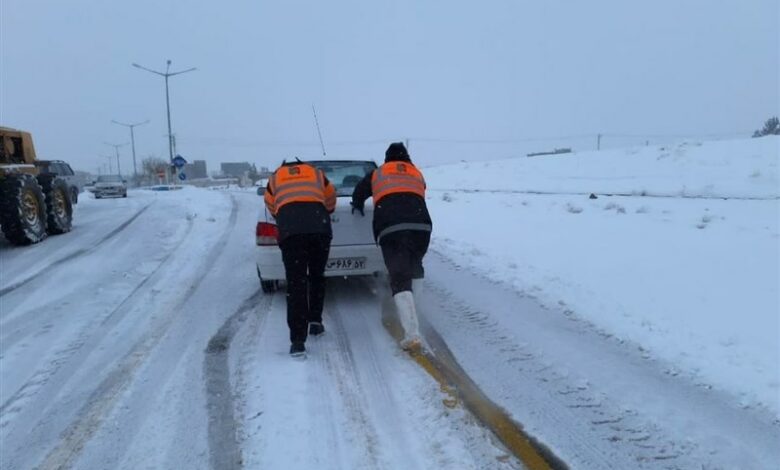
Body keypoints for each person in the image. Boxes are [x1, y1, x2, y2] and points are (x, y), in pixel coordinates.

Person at [351, 142, 432, 350]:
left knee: (399, 277)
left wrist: (358, 204)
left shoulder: (379, 173)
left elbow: (359, 192)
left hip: (392, 228)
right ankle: (416, 313)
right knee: (415, 268)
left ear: (387, 158)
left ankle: (412, 334)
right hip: (421, 227)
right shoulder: (416, 173)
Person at [264, 160, 336, 357]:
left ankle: (297, 341)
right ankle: (315, 321)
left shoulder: (275, 178)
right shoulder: (316, 174)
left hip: (291, 231)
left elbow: (271, 205)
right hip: (319, 227)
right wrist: (323, 212)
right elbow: (331, 198)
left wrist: (286, 216)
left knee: (296, 283)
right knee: (317, 275)